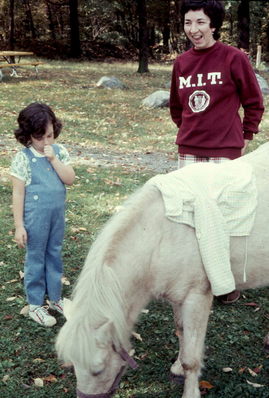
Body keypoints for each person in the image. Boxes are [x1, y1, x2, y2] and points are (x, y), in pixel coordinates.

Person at [169, 0, 264, 304]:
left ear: (213, 25)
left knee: (225, 217)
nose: (193, 30)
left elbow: (253, 101)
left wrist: (245, 134)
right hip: (189, 150)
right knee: (189, 215)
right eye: (188, 22)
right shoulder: (181, 63)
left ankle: (226, 282)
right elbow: (176, 106)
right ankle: (194, 277)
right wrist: (191, 130)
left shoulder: (233, 58)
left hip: (225, 151)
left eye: (200, 22)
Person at [10, 103, 75, 326]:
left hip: (56, 215)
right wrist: (19, 226)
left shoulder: (59, 152)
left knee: (54, 253)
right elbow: (18, 194)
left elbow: (69, 179)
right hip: (35, 217)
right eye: (40, 137)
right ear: (27, 136)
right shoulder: (23, 158)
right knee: (36, 257)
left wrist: (54, 159)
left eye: (50, 136)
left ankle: (55, 298)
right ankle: (36, 305)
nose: (46, 142)